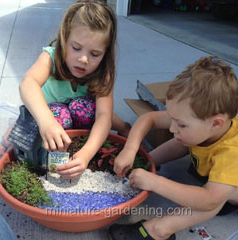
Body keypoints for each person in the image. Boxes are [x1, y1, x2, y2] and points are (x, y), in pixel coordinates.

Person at [109, 56, 238, 240]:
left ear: (216, 124)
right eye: (172, 118)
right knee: (183, 140)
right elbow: (149, 118)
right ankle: (149, 164)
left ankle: (159, 230)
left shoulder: (232, 152)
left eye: (180, 124)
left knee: (213, 200)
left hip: (230, 190)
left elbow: (209, 200)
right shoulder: (197, 118)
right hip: (217, 171)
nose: (171, 128)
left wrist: (155, 182)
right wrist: (131, 151)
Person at [17, 0, 130, 178]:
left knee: (86, 107)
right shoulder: (50, 57)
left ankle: (118, 129)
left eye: (95, 54)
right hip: (53, 118)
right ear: (64, 39)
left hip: (80, 116)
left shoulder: (102, 72)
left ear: (106, 53)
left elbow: (104, 115)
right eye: (76, 48)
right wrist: (46, 121)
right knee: (59, 114)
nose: (83, 59)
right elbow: (28, 83)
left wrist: (86, 154)